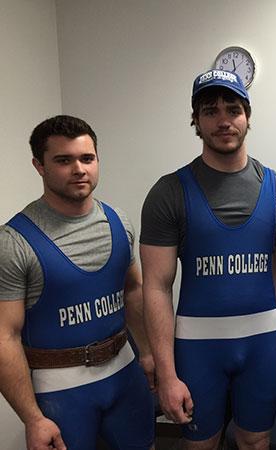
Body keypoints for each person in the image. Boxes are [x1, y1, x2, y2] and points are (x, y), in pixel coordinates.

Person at [140, 69, 276, 450]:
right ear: (196, 120)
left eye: (233, 109)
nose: (223, 120)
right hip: (198, 349)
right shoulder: (168, 193)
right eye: (210, 111)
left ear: (247, 116)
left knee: (256, 440)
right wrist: (167, 373)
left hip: (263, 344)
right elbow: (157, 287)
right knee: (200, 443)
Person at [0, 115, 155, 449]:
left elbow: (133, 291)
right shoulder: (13, 242)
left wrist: (147, 353)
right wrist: (32, 418)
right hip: (61, 391)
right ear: (39, 166)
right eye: (63, 160)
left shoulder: (119, 222)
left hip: (125, 372)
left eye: (87, 158)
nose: (79, 169)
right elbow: (4, 336)